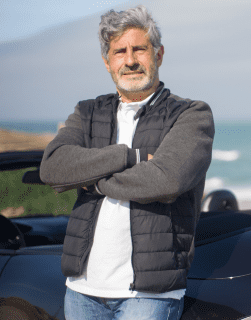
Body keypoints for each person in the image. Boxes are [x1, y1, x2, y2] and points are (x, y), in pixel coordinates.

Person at [39, 5, 214, 320]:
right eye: (119, 52)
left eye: (139, 49)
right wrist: (128, 157)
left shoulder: (191, 114)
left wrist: (93, 180)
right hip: (81, 289)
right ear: (107, 62)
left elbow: (167, 179)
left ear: (158, 55)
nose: (130, 60)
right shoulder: (87, 112)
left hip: (149, 295)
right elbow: (53, 167)